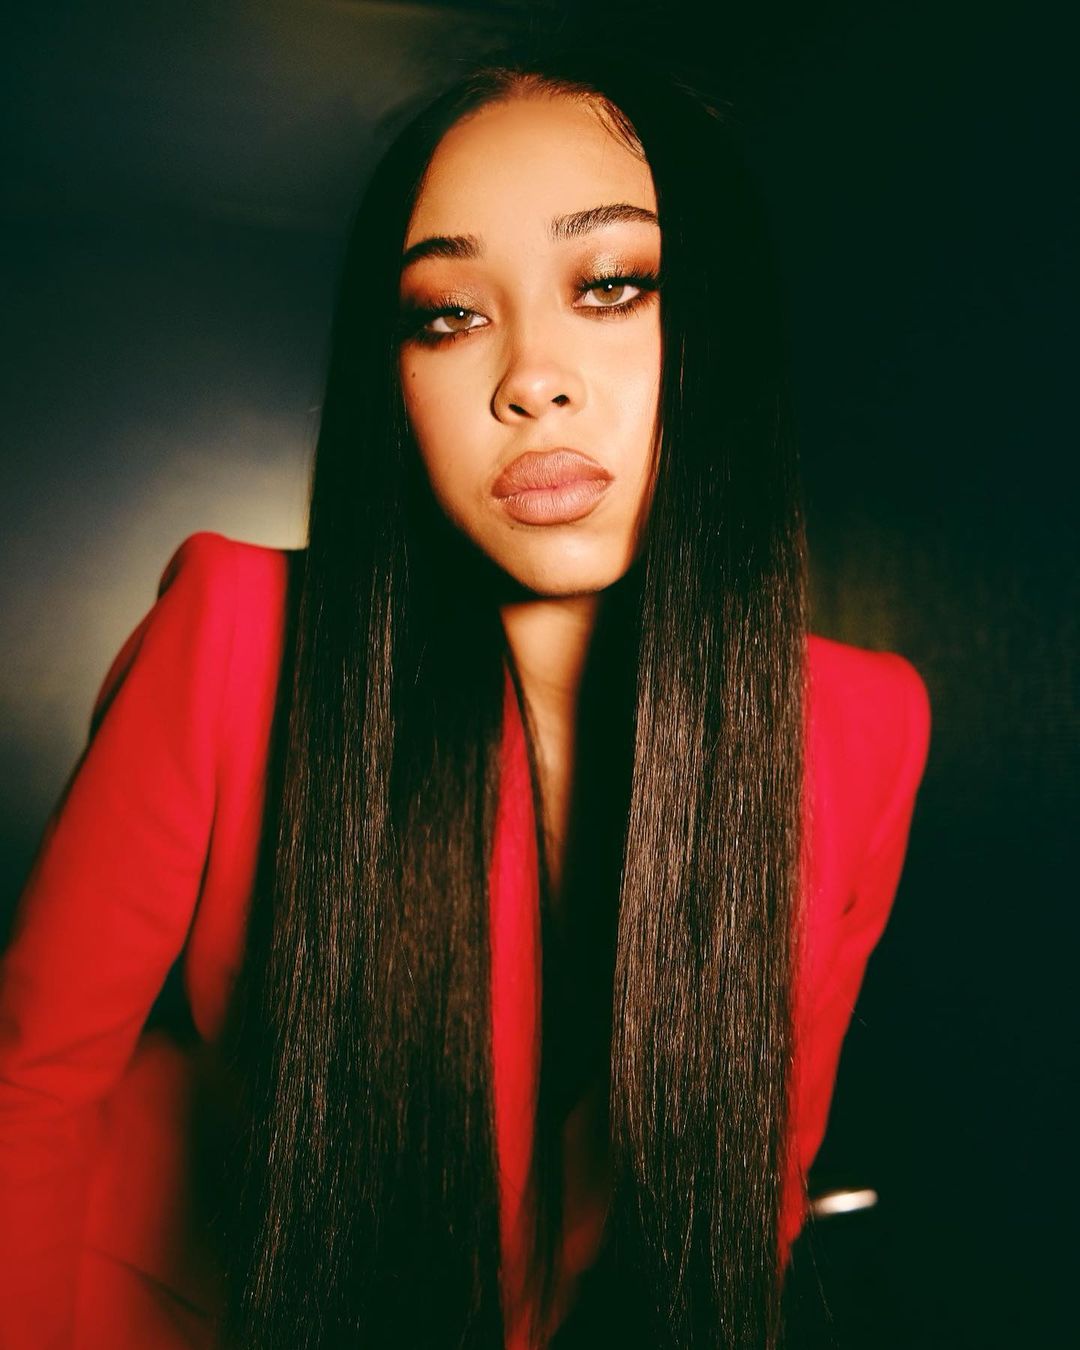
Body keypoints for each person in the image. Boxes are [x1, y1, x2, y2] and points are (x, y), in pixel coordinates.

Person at [0, 52, 931, 1350]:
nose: (530, 379)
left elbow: (759, 1182)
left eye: (612, 285)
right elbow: (30, 1089)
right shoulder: (235, 636)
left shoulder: (865, 725)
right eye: (448, 314)